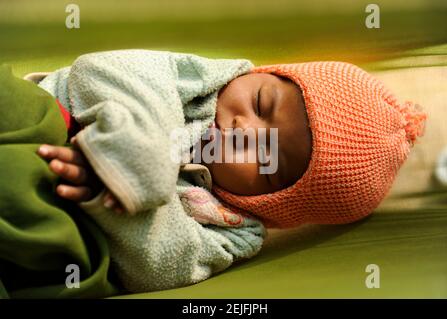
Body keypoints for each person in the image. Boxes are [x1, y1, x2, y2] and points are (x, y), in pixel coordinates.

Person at [33, 51, 426, 292]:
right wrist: (139, 157)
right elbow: (97, 70)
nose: (244, 131)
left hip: (66, 225)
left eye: (270, 161)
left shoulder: (233, 232)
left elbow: (158, 267)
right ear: (260, 75)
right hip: (46, 120)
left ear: (273, 202)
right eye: (261, 102)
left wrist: (108, 192)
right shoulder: (195, 81)